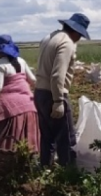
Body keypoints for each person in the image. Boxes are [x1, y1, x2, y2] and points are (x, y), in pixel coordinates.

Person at [34, 13, 91, 167]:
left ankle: (45, 168)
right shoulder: (67, 43)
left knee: (47, 136)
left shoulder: (49, 37)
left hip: (40, 92)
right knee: (66, 137)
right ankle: (67, 174)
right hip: (54, 94)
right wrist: (58, 100)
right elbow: (57, 74)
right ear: (76, 32)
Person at [0, 35, 39, 154]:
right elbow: (33, 81)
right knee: (27, 140)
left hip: (9, 107)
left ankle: (0, 158)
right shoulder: (22, 61)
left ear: (0, 51)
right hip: (29, 104)